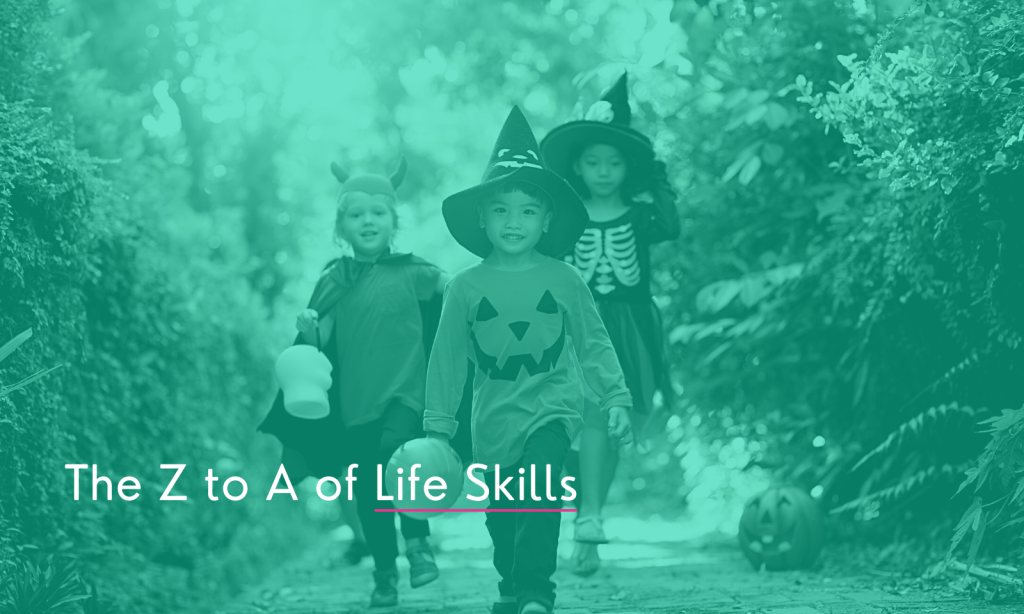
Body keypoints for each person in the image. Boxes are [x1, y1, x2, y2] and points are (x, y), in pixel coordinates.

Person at [422, 106, 633, 614]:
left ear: (546, 220)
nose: (513, 221)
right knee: (502, 516)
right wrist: (437, 428)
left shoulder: (564, 279)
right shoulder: (465, 287)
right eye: (501, 210)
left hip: (552, 408)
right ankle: (511, 586)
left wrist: (614, 397)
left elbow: (593, 342)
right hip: (491, 420)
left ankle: (538, 594)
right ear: (482, 218)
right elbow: (447, 360)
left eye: (527, 211)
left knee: (539, 488)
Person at [257, 159, 450, 608]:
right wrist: (308, 326)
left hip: (407, 395)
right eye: (357, 214)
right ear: (341, 225)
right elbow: (319, 340)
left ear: (393, 221)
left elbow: (453, 291)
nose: (368, 221)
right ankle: (385, 574)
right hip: (355, 406)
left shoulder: (413, 271)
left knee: (396, 457)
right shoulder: (334, 279)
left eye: (378, 213)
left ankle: (417, 542)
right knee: (368, 490)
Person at [539, 72, 681, 576]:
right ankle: (590, 515)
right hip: (577, 327)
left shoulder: (642, 217)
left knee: (617, 425)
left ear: (628, 167)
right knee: (590, 421)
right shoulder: (566, 216)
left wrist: (655, 167)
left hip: (632, 327)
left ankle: (587, 525)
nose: (604, 171)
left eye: (616, 162)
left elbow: (673, 223)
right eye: (594, 162)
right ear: (578, 165)